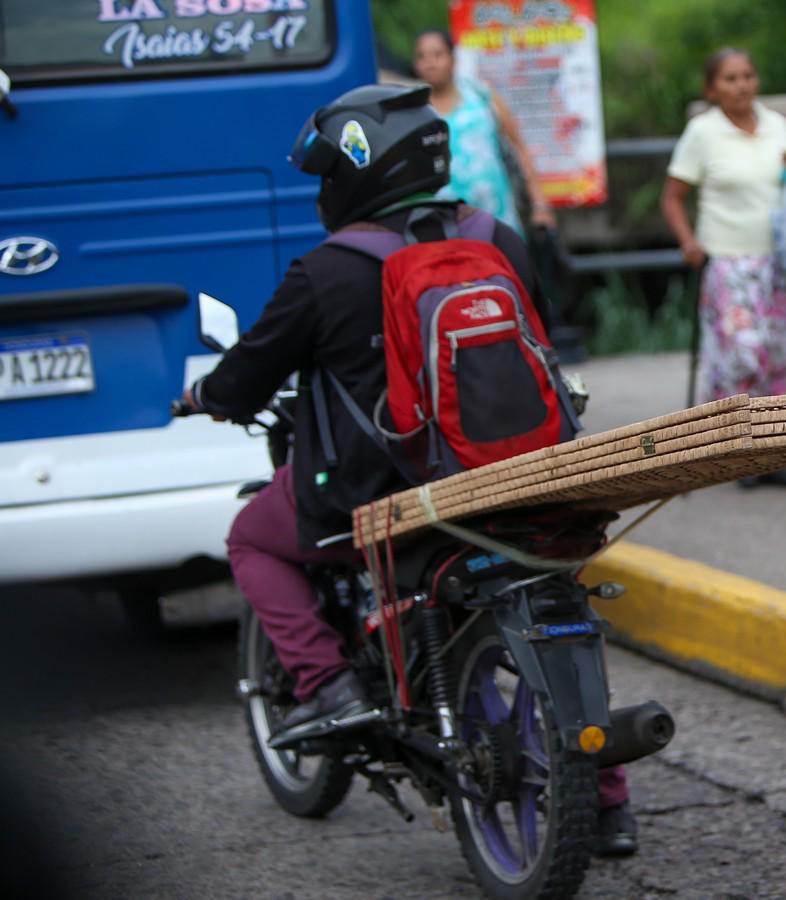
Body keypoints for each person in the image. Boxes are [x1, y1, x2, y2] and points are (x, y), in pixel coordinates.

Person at [182, 83, 636, 856]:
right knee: (557, 599)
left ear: (357, 173)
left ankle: (326, 682)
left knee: (252, 538)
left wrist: (201, 396)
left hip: (385, 492)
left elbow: (246, 377)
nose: (325, 190)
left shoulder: (323, 272)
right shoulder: (497, 237)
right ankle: (608, 798)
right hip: (514, 475)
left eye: (328, 174)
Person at [660, 47, 786, 488]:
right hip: (728, 261)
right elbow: (673, 196)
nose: (741, 85)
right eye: (730, 78)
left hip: (778, 262)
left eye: (747, 76)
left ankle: (776, 454)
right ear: (711, 89)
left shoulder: (777, 125)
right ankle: (736, 452)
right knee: (742, 355)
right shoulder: (702, 133)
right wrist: (689, 241)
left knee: (780, 360)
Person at [412, 28, 555, 237]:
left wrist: (540, 204)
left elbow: (518, 147)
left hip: (498, 221)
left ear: (453, 57)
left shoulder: (480, 97)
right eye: (422, 57)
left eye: (438, 54)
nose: (430, 63)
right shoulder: (413, 112)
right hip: (444, 231)